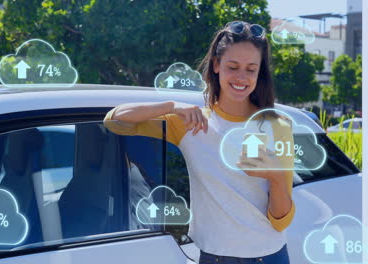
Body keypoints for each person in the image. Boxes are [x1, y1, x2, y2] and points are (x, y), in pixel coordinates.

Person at [103, 21, 295, 264]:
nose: (241, 77)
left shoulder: (277, 125)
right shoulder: (189, 122)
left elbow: (281, 220)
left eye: (251, 69)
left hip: (268, 257)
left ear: (260, 73)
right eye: (233, 66)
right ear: (216, 65)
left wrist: (276, 177)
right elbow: (115, 121)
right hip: (213, 257)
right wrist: (171, 106)